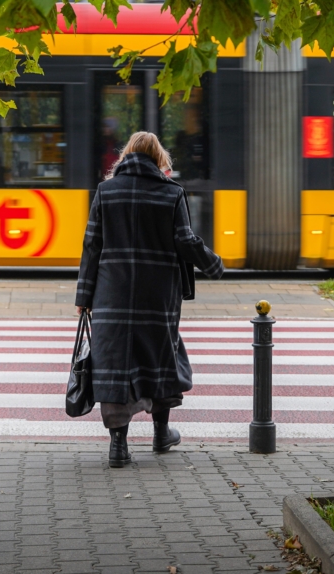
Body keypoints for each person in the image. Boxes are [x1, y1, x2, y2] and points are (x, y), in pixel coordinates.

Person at [74, 131, 225, 468]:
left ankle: (118, 446)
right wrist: (213, 264)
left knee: (115, 363)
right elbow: (185, 240)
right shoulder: (172, 192)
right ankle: (161, 433)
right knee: (161, 357)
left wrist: (83, 296)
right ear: (159, 158)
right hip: (158, 295)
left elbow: (92, 245)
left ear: (126, 155)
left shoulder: (106, 191)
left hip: (112, 293)